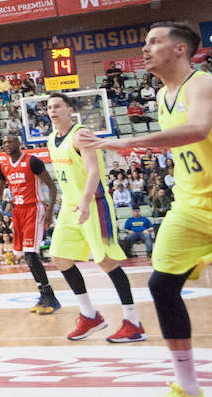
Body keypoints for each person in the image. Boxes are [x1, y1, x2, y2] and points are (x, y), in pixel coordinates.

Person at [81, 21, 212, 397]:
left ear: (180, 49)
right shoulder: (162, 95)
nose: (145, 49)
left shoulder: (204, 85)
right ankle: (187, 384)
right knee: (162, 285)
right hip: (191, 203)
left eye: (154, 42)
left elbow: (198, 129)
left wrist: (126, 142)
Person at [45, 93, 146, 343]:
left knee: (107, 261)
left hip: (94, 204)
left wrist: (85, 200)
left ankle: (132, 322)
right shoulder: (50, 140)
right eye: (48, 107)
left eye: (57, 106)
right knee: (59, 258)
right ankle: (90, 315)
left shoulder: (81, 135)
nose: (52, 110)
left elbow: (93, 171)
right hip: (70, 207)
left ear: (70, 110)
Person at [0, 134, 60, 314]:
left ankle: (49, 296)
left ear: (18, 143)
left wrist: (50, 211)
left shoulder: (32, 161)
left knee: (30, 254)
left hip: (34, 209)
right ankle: (44, 295)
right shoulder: (3, 165)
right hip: (18, 211)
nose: (6, 144)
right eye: (3, 142)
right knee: (26, 256)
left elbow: (52, 186)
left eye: (10, 141)